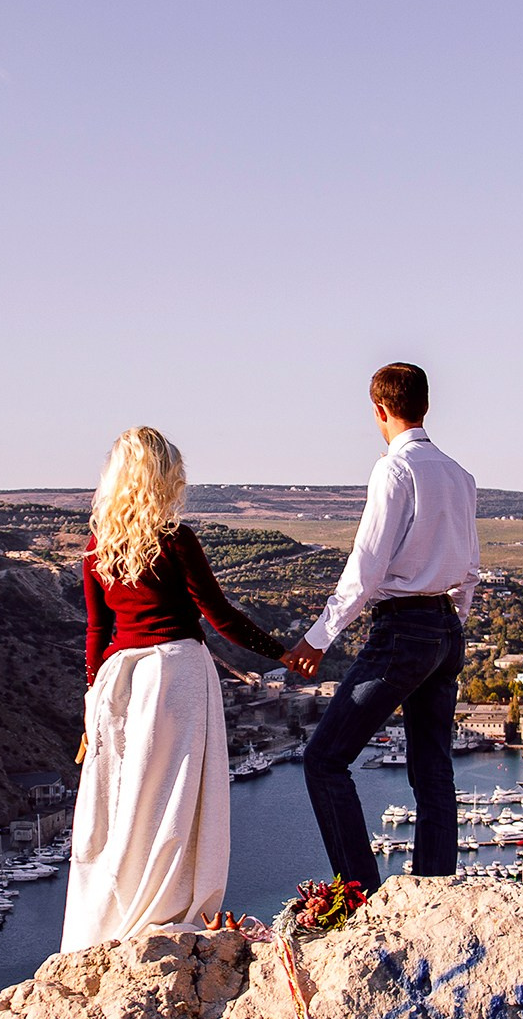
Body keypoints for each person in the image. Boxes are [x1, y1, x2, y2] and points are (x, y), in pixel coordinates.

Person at [63, 427, 298, 951]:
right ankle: (169, 907)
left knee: (125, 802)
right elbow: (219, 615)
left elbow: (96, 631)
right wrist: (282, 652)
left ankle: (114, 913)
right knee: (177, 798)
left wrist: (91, 704)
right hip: (175, 675)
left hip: (118, 682)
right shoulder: (174, 539)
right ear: (166, 477)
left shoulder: (98, 547)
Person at [288, 363, 479, 892]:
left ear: (379, 411)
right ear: (426, 406)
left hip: (404, 630)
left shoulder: (394, 471)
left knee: (324, 760)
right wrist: (450, 625)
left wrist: (319, 637)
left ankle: (360, 896)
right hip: (445, 630)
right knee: (434, 770)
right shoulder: (460, 475)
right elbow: (470, 569)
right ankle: (434, 893)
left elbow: (367, 567)